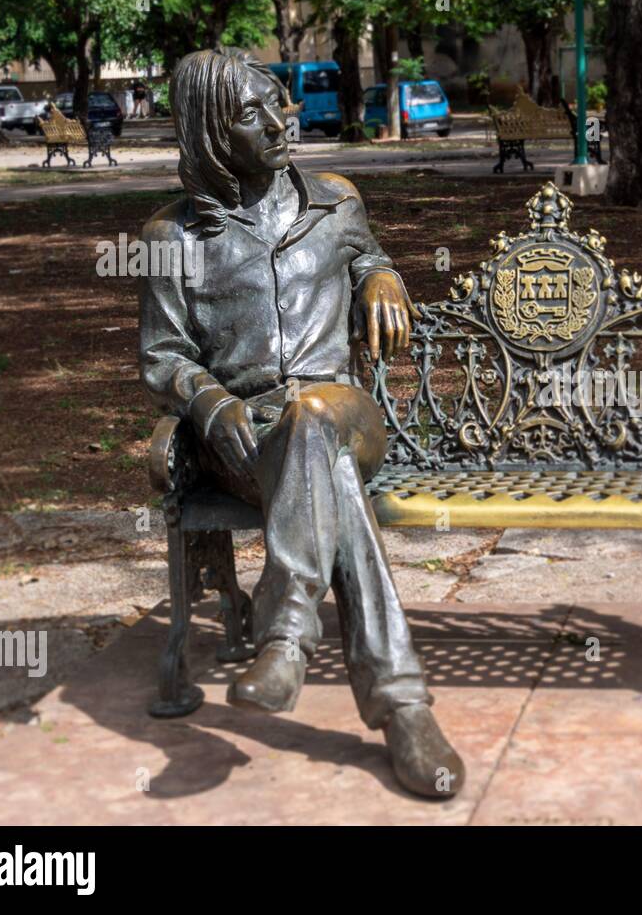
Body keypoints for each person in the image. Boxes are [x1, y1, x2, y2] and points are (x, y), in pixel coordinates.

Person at [137, 48, 464, 799]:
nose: (281, 121)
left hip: (348, 419)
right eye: (252, 113)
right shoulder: (172, 239)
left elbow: (368, 255)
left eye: (279, 102)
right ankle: (403, 708)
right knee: (326, 478)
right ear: (212, 132)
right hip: (246, 445)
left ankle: (286, 634)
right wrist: (213, 404)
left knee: (315, 415)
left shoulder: (337, 202)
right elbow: (162, 357)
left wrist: (381, 274)